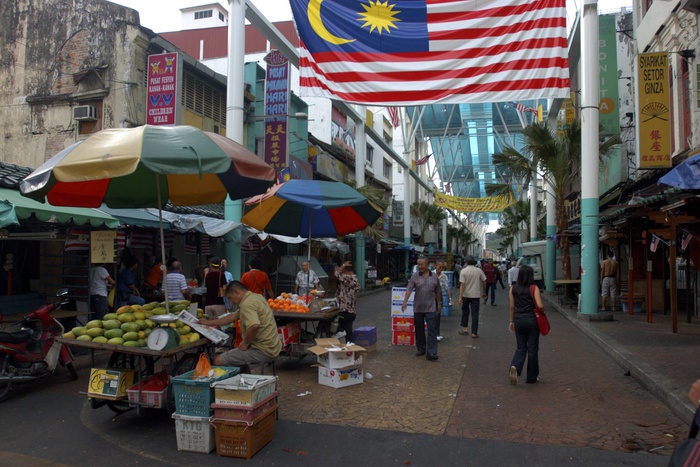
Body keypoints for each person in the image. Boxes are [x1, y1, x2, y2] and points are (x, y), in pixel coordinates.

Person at [198, 281, 282, 368]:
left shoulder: (247, 304)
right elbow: (232, 317)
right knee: (238, 355)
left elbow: (254, 326)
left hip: (263, 350)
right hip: (274, 347)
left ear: (236, 292)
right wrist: (209, 323)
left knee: (218, 360)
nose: (231, 302)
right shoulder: (257, 297)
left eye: (230, 298)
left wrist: (245, 343)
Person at [508, 265, 544, 385]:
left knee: (521, 347)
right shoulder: (534, 288)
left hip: (518, 319)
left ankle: (515, 367)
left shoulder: (513, 288)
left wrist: (511, 321)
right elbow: (540, 305)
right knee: (533, 349)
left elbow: (512, 307)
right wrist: (542, 312)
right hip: (532, 320)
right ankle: (531, 377)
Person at [401, 256, 441, 361]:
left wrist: (439, 303)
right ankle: (421, 348)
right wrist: (405, 301)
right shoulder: (415, 276)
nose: (419, 266)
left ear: (427, 265)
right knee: (419, 330)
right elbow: (409, 289)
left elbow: (438, 291)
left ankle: (431, 352)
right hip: (418, 308)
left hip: (431, 308)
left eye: (421, 264)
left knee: (432, 330)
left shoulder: (434, 277)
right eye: (418, 264)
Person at [458, 256, 487, 338]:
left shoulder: (463, 271)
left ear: (466, 263)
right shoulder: (478, 270)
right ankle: (474, 332)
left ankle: (465, 329)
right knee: (475, 314)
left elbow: (462, 285)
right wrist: (484, 292)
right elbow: (484, 281)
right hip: (475, 295)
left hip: (466, 295)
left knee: (465, 312)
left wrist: (460, 296)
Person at [334, 260, 360, 342]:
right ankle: (351, 350)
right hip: (352, 312)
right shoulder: (355, 279)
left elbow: (336, 273)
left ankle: (340, 330)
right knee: (349, 333)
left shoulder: (347, 278)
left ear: (346, 271)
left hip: (344, 312)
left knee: (331, 320)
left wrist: (343, 264)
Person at [435, 261, 453, 342]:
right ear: (435, 266)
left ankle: (437, 333)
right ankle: (432, 334)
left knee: (438, 315)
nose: (441, 269)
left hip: (439, 297)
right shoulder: (430, 274)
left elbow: (447, 288)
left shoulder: (444, 276)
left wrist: (450, 299)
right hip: (430, 296)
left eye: (443, 267)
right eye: (440, 267)